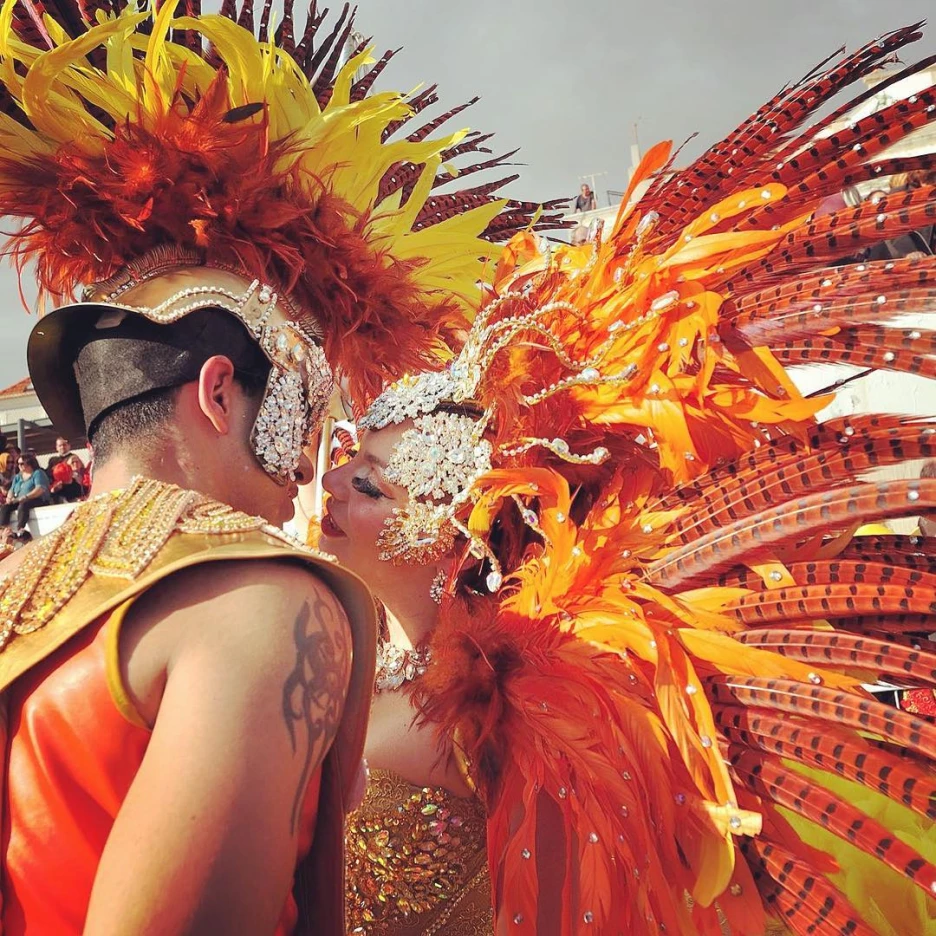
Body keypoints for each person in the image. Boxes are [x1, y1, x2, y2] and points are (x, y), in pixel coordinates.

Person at [325, 26, 936, 936]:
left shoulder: (494, 708)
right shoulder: (369, 666)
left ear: (445, 542)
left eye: (370, 486)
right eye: (345, 468)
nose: (330, 490)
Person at [0, 3, 559, 931]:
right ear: (221, 394)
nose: (313, 466)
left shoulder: (20, 583)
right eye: (307, 409)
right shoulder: (260, 605)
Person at [0, 453, 50, 540]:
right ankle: (3, 529)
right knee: (5, 507)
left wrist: (26, 496)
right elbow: (12, 489)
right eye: (18, 463)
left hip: (37, 499)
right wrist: (9, 498)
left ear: (30, 463)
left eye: (22, 463)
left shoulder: (38, 473)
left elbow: (40, 489)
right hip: (19, 499)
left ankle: (20, 529)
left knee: (23, 505)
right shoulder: (18, 476)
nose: (19, 466)